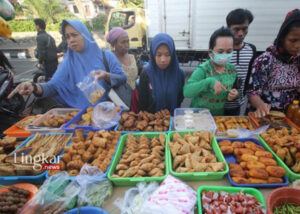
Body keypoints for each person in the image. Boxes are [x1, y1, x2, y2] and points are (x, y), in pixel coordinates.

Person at [8, 20, 127, 109]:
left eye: (75, 35)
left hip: (107, 115)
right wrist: (34, 87)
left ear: (85, 34)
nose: (71, 40)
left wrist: (106, 75)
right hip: (80, 118)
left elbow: (122, 78)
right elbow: (53, 86)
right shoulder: (68, 62)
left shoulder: (106, 56)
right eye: (67, 37)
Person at [248, 9, 300, 118]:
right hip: (265, 117)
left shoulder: (297, 60)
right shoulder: (265, 60)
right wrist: (261, 106)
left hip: (292, 117)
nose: (297, 45)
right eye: (293, 40)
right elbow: (252, 93)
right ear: (282, 38)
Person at [184, 27, 238, 116]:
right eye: (220, 51)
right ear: (211, 53)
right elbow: (187, 91)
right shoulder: (203, 69)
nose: (225, 55)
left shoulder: (232, 70)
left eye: (229, 51)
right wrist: (209, 82)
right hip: (198, 116)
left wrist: (235, 94)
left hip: (217, 117)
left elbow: (235, 89)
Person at [138, 33, 185, 114]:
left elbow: (179, 99)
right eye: (158, 55)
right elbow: (143, 104)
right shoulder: (146, 75)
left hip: (173, 120)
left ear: (172, 54)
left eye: (167, 54)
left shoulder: (179, 74)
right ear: (153, 54)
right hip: (151, 122)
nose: (163, 59)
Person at [225, 8, 256, 115]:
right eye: (236, 29)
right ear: (228, 28)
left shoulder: (251, 49)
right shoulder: (221, 50)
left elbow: (250, 78)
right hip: (219, 103)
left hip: (238, 103)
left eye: (245, 29)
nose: (241, 33)